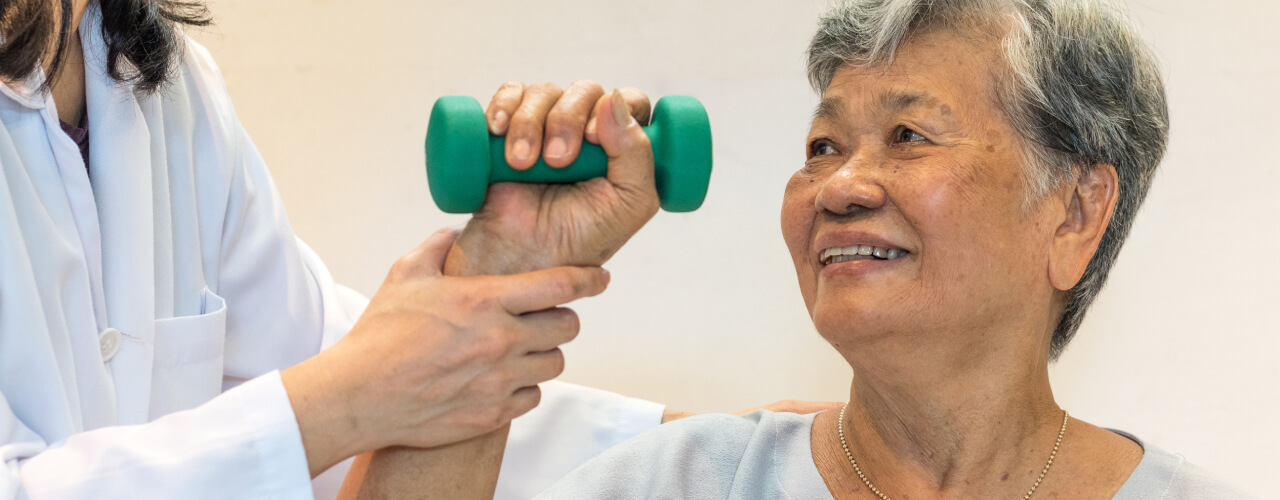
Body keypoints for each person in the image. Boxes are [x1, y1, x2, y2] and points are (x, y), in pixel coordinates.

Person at [351, 0, 1259, 498]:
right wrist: (506, 266)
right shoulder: (672, 487)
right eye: (823, 145)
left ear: (1075, 213)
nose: (839, 186)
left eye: (908, 136)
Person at [0, 0, 721, 498]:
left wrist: (504, 268)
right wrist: (347, 400)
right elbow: (341, 394)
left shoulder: (167, 86)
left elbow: (319, 363)